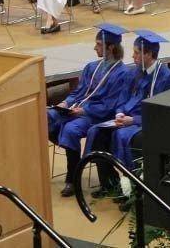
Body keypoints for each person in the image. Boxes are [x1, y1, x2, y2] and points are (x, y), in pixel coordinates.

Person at [84, 30, 170, 196]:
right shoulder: (133, 72)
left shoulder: (165, 77)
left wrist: (132, 120)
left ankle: (133, 193)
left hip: (147, 124)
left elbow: (163, 113)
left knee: (122, 136)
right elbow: (122, 99)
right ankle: (110, 185)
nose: (132, 56)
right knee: (96, 132)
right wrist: (119, 114)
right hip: (125, 120)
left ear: (149, 54)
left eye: (136, 53)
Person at [47, 24, 131, 197]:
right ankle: (73, 155)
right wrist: (65, 103)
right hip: (75, 109)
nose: (95, 48)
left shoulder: (123, 73)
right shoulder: (92, 67)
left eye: (99, 45)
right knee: (47, 117)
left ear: (111, 47)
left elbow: (110, 105)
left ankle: (72, 179)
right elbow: (78, 92)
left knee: (71, 130)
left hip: (95, 116)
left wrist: (83, 111)